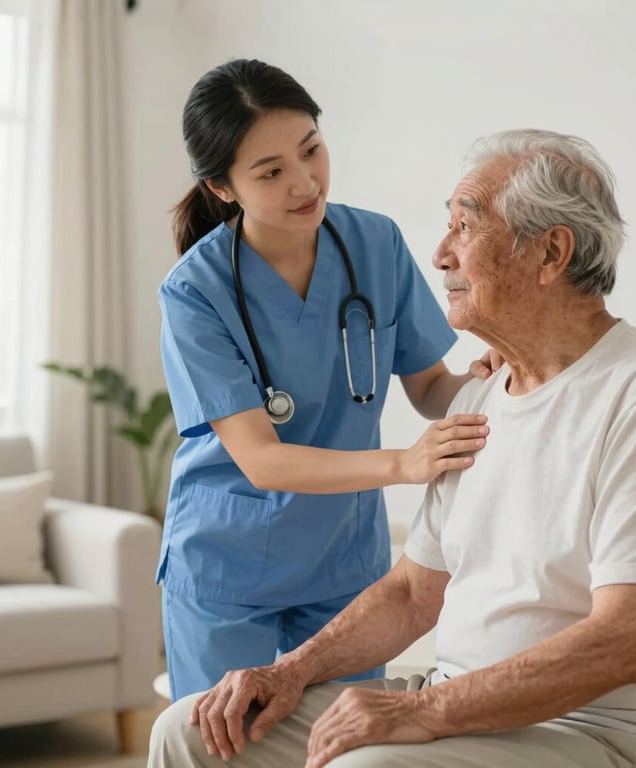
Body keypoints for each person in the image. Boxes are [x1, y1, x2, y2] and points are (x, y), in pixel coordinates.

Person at [149, 128, 636, 768]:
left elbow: (625, 642)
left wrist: (416, 713)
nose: (438, 255)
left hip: (605, 731)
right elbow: (411, 593)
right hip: (459, 702)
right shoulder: (482, 398)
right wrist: (289, 672)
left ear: (551, 253)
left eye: (465, 227)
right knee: (192, 730)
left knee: (364, 765)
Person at [156, 58, 496, 702]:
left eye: (311, 149)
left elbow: (428, 388)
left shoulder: (375, 244)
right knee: (226, 745)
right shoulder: (194, 293)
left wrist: (482, 383)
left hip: (342, 559)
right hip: (229, 561)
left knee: (345, 744)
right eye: (271, 171)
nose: (305, 181)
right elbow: (261, 459)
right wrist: (403, 464)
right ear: (222, 187)